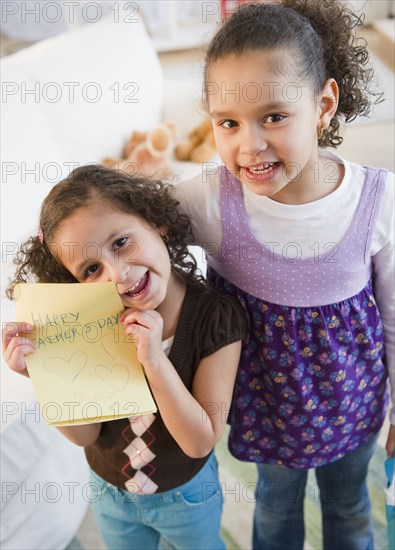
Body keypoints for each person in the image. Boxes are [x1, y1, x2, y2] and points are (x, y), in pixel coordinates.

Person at [173, 1, 395, 549]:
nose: (249, 145)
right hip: (268, 414)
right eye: (228, 123)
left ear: (323, 105)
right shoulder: (209, 198)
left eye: (273, 115)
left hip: (354, 406)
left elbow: (393, 315)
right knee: (274, 514)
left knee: (349, 509)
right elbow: (128, 235)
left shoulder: (377, 200)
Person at [2, 164, 246, 550]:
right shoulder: (92, 323)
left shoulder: (216, 318)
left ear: (155, 221)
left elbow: (199, 442)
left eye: (120, 243)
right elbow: (85, 436)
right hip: (109, 491)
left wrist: (153, 359)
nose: (117, 274)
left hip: (187, 495)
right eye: (92, 268)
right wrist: (44, 376)